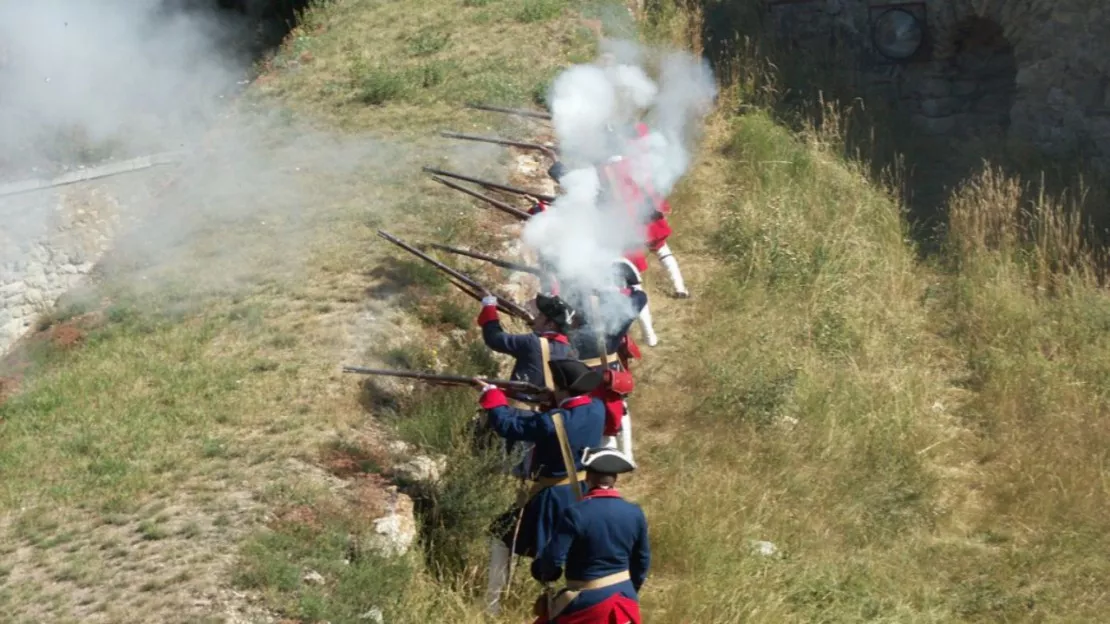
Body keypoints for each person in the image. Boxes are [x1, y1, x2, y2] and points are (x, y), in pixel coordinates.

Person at [477, 358, 607, 616]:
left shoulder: (555, 419)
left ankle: (491, 607)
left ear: (561, 387)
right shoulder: (597, 407)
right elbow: (567, 415)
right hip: (579, 489)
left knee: (500, 538)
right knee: (566, 548)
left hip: (550, 495)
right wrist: (552, 400)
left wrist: (493, 398)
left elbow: (509, 426)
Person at [530, 447, 649, 624]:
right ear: (614, 480)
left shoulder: (575, 513)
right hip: (625, 600)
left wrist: (544, 573)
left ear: (587, 478)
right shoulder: (635, 513)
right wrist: (629, 590)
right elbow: (642, 561)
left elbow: (552, 559)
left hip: (588, 603)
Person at [569, 260, 647, 462]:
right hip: (609, 367)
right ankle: (624, 455)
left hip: (581, 372)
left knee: (592, 414)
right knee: (618, 408)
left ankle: (604, 457)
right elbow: (640, 297)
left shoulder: (577, 305)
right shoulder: (617, 311)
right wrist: (633, 286)